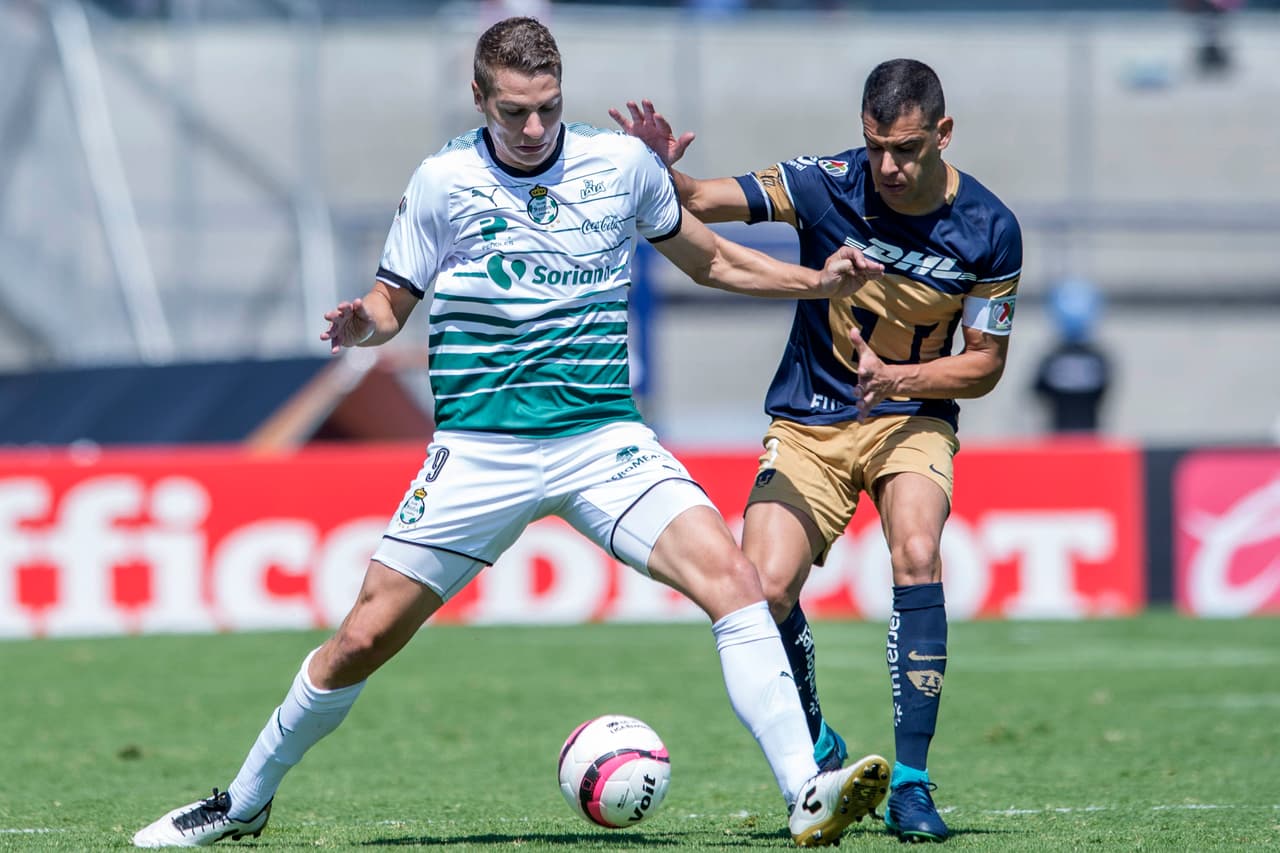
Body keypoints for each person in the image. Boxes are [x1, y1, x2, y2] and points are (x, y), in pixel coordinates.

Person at [131, 17, 891, 850]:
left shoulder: (621, 165)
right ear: (479, 98)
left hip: (601, 439)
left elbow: (711, 259)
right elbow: (393, 302)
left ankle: (803, 792)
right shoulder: (442, 182)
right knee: (361, 638)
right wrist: (363, 322)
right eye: (515, 112)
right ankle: (243, 800)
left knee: (735, 580)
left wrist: (817, 282)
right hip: (481, 449)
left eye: (549, 107)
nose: (534, 129)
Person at [611, 57, 1023, 842]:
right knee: (759, 590)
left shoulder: (992, 228)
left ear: (943, 133)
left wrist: (899, 377)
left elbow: (984, 365)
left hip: (912, 416)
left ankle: (910, 782)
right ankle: (821, 745)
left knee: (915, 549)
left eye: (905, 148)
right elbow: (700, 201)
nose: (888, 167)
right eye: (875, 147)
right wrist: (661, 170)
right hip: (810, 420)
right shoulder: (824, 182)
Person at [1032, 278, 1111, 434]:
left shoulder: (1052, 358)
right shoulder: (1097, 358)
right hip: (1085, 436)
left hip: (1064, 436)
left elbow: (1038, 391)